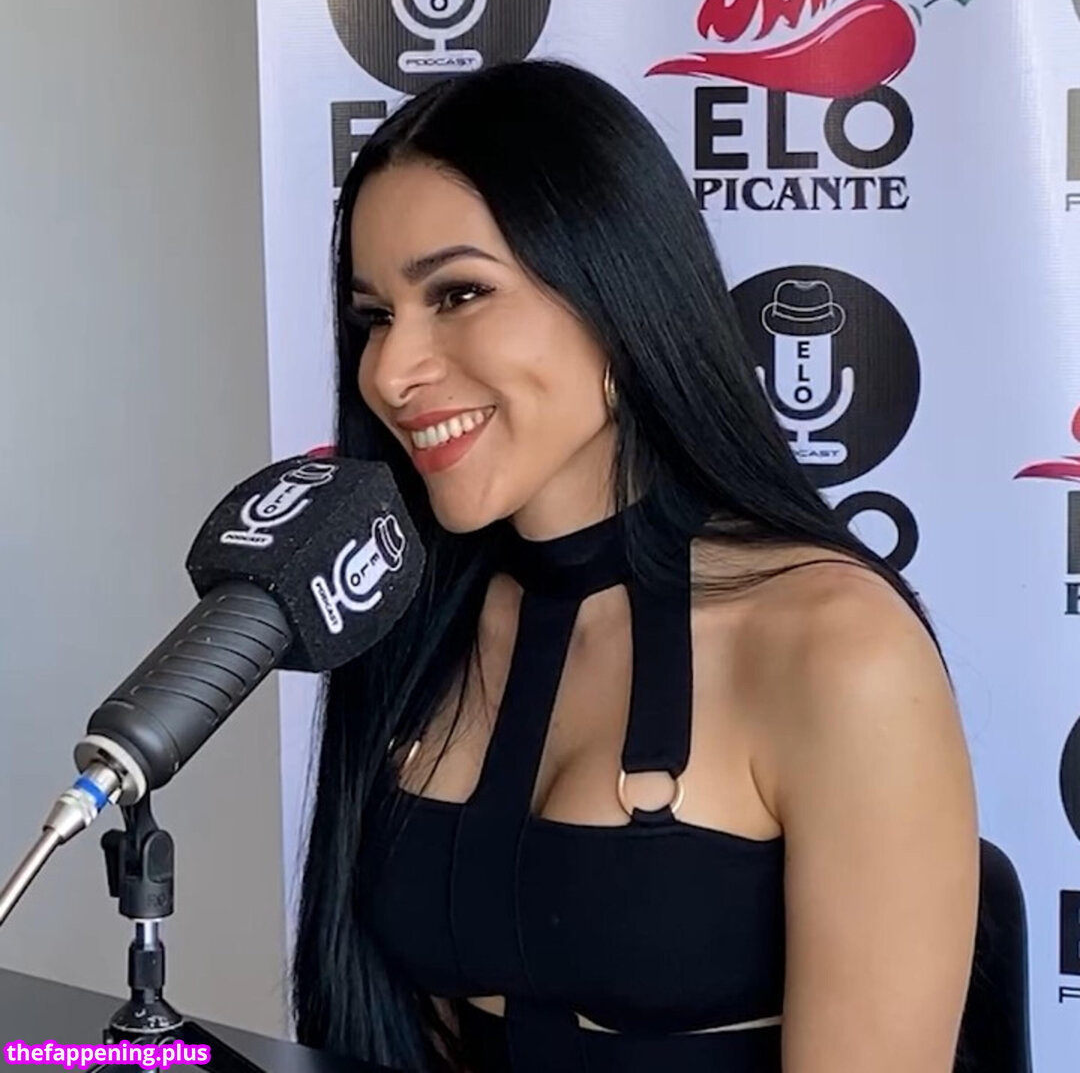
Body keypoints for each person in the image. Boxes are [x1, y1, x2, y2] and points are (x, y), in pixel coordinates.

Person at [290, 59, 979, 1073]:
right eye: (375, 316)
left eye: (459, 292)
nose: (390, 371)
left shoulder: (839, 648)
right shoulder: (420, 610)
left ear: (616, 299)